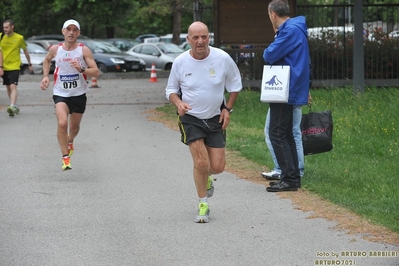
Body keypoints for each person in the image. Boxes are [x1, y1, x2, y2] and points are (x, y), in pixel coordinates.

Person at [165, 21, 242, 223]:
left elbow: (235, 85)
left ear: (209, 37)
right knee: (200, 162)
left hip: (215, 117)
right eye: (196, 37)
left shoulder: (222, 58)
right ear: (188, 40)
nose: (200, 41)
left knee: (217, 166)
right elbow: (170, 90)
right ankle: (203, 204)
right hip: (190, 118)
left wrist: (228, 109)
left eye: (204, 37)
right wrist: (179, 102)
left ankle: (205, 175)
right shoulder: (180, 62)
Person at [40, 19, 99, 171]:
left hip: (78, 93)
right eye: (68, 29)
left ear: (78, 33)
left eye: (74, 30)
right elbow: (46, 61)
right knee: (62, 123)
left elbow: (96, 72)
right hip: (60, 92)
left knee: (74, 127)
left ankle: (70, 140)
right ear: (63, 31)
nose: (71, 32)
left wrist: (82, 69)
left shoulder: (83, 50)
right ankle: (65, 158)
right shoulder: (55, 49)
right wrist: (46, 76)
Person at [263, 0, 310, 192]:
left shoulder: (288, 31)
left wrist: (274, 41)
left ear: (273, 14)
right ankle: (292, 177)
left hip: (285, 89)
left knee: (277, 133)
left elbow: (269, 55)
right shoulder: (296, 28)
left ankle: (289, 179)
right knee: (287, 133)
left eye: (269, 16)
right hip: (294, 86)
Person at [0, 19, 33, 117]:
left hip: (15, 66)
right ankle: (14, 105)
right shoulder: (1, 37)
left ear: (12, 27)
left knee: (13, 86)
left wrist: (29, 64)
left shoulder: (19, 38)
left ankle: (12, 105)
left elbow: (25, 51)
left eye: (7, 27)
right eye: (4, 27)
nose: (5, 29)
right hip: (4, 66)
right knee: (8, 87)